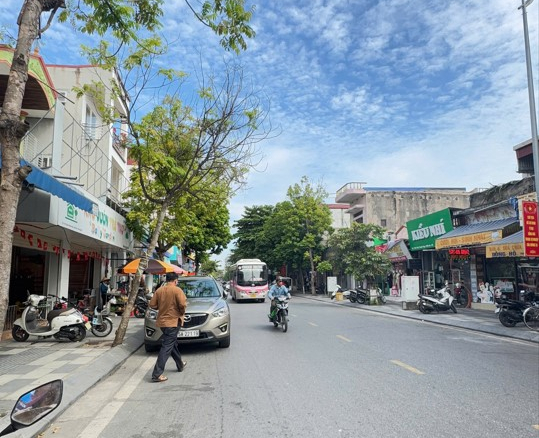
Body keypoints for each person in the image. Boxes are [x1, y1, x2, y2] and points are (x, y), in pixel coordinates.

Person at [149, 272, 187, 383]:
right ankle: (157, 374)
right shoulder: (177, 290)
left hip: (162, 322)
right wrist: (181, 312)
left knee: (171, 344)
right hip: (173, 322)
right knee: (167, 347)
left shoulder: (159, 290)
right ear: (175, 280)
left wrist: (161, 307)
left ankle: (180, 364)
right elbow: (182, 305)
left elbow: (152, 305)